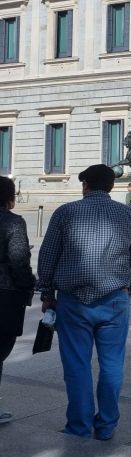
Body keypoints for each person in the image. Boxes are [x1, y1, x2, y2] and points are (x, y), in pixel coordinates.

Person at [36, 164, 131, 440]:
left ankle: (79, 426)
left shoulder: (65, 212)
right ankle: (107, 425)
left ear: (85, 185)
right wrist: (127, 288)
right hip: (114, 299)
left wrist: (47, 293)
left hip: (74, 301)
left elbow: (48, 256)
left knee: (76, 366)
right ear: (111, 186)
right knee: (112, 365)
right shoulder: (129, 214)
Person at [0, 175, 34, 424]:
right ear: (10, 199)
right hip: (5, 294)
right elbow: (19, 260)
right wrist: (28, 286)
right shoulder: (13, 222)